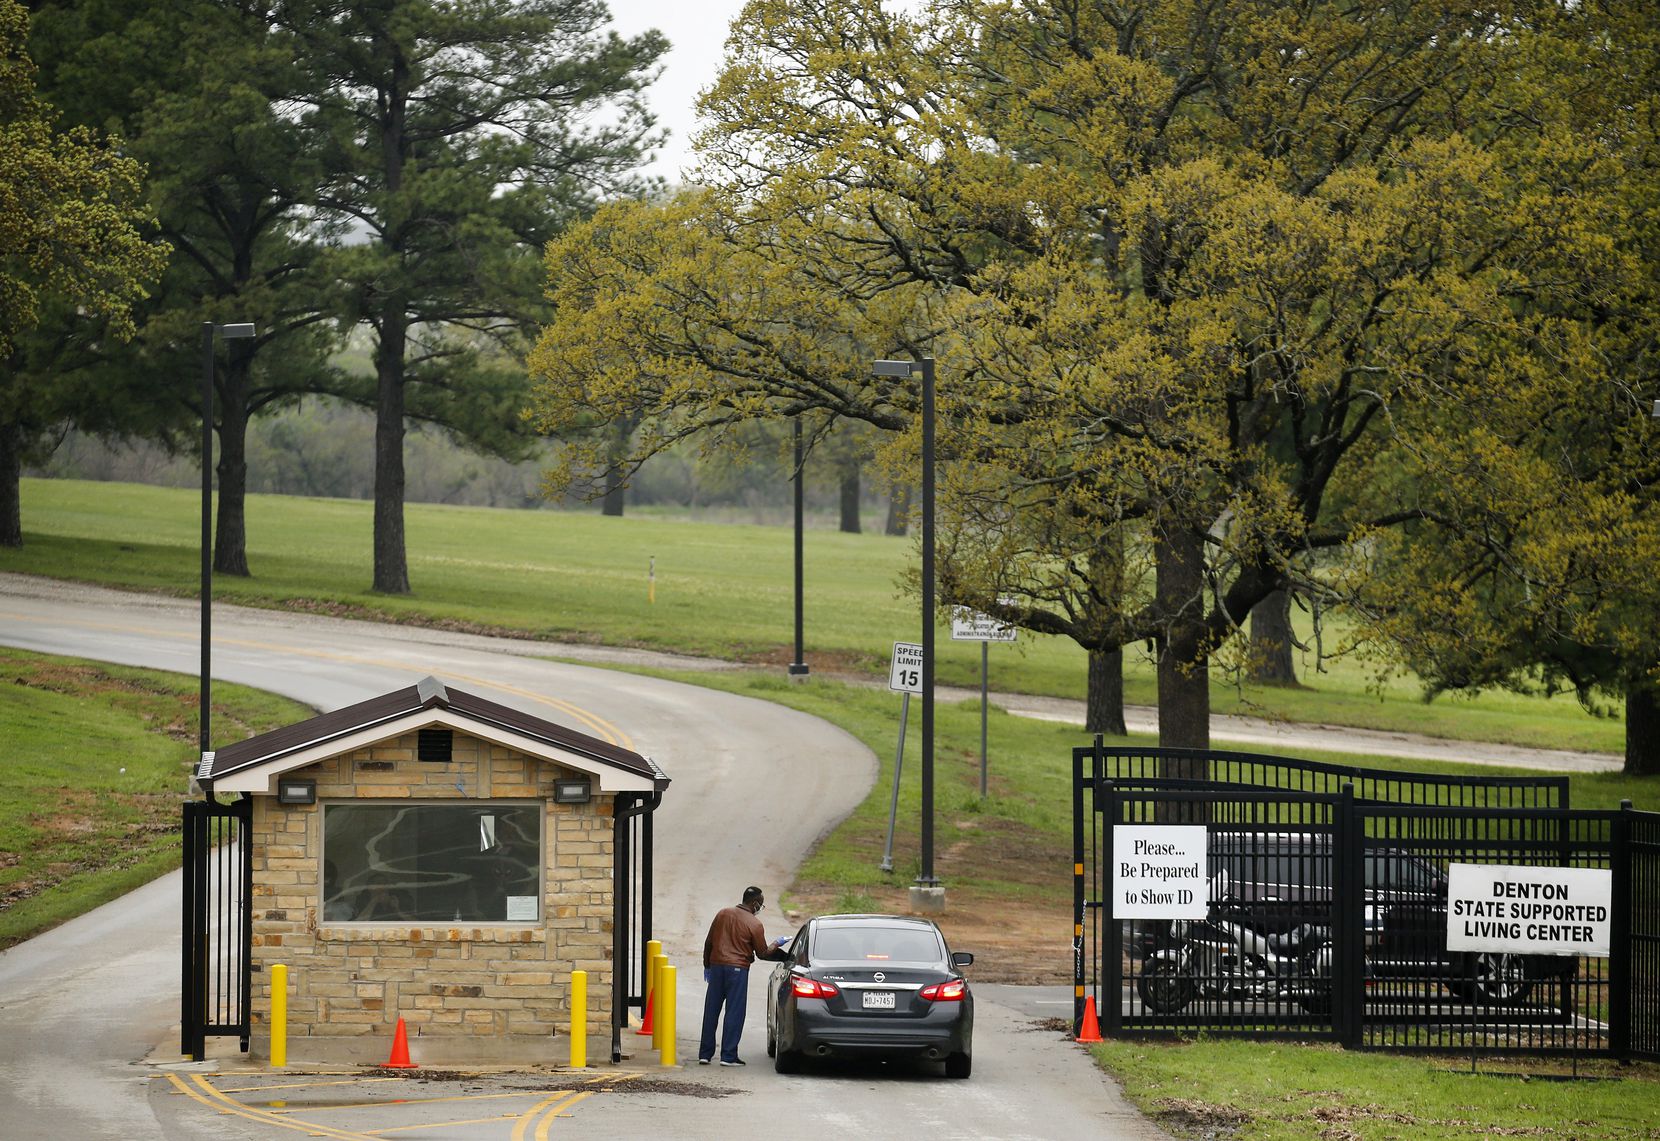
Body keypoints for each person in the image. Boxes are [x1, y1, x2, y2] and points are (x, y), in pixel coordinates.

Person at [699, 885, 789, 1066]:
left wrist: (707, 965)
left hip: (716, 967)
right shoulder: (754, 924)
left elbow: (709, 942)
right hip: (738, 970)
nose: (760, 909)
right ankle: (728, 1056)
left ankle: (705, 1054)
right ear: (755, 903)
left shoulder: (722, 914)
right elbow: (762, 953)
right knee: (734, 1012)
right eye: (761, 905)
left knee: (711, 1010)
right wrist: (776, 944)